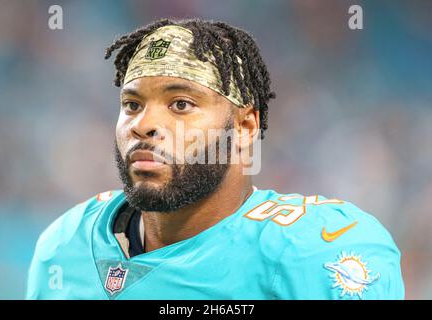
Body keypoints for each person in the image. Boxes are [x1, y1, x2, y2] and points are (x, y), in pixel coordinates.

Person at [26, 18, 404, 299]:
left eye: (181, 104)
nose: (144, 124)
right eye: (132, 104)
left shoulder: (316, 252)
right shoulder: (65, 246)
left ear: (243, 126)